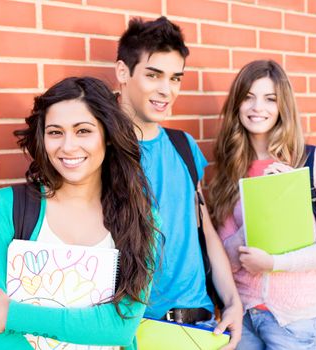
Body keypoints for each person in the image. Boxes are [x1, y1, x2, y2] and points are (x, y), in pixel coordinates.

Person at [0, 77, 158, 350]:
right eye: (55, 132)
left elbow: (119, 327)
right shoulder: (6, 208)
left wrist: (11, 314)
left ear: (109, 136)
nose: (67, 146)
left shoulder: (139, 219)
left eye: (83, 131)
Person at [207, 59, 316, 349]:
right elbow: (224, 257)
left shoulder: (313, 162)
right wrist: (255, 223)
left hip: (294, 323)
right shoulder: (230, 171)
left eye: (269, 99)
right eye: (248, 97)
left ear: (282, 106)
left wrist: (275, 263)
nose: (257, 107)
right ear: (237, 105)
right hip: (244, 317)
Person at [114, 16, 243, 349]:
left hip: (200, 326)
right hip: (134, 331)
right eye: (153, 75)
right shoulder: (102, 152)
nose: (166, 90)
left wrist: (232, 302)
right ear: (123, 73)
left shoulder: (184, 146)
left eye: (175, 78)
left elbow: (206, 230)